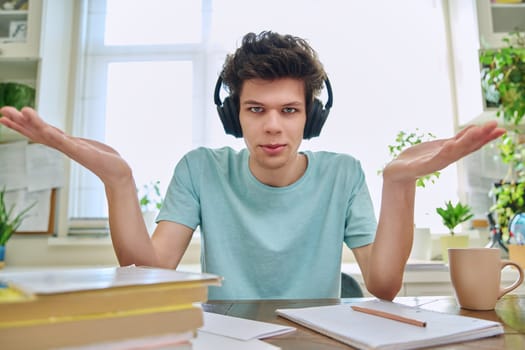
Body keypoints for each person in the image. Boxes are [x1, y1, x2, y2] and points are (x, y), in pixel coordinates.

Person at [0, 31, 505, 300]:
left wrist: (401, 183)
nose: (272, 127)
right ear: (233, 114)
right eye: (255, 110)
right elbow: (150, 271)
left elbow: (384, 285)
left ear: (311, 116)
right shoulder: (201, 169)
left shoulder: (343, 173)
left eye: (289, 111)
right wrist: (118, 180)